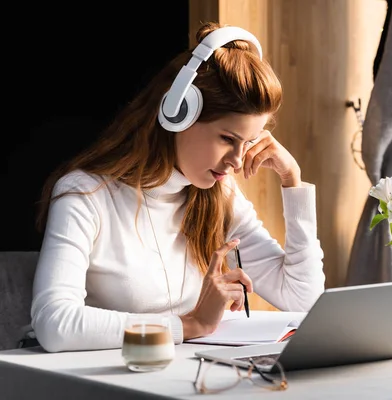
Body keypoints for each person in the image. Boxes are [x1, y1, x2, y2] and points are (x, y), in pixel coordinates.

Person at [29, 22, 326, 353]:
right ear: (177, 112)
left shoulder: (220, 194)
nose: (237, 161)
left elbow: (304, 300)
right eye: (227, 139)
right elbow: (55, 324)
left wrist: (293, 182)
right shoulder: (85, 196)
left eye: (249, 142)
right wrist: (191, 324)